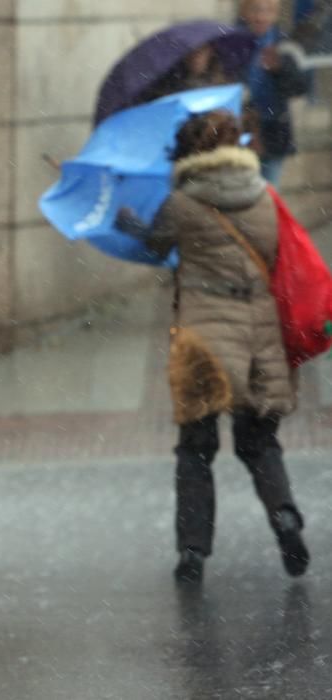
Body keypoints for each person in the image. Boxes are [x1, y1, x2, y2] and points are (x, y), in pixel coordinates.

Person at [117, 110, 309, 584]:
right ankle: (284, 516)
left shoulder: (181, 203)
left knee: (196, 451)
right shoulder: (267, 196)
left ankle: (193, 552)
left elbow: (156, 246)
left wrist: (127, 223)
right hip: (261, 334)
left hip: (204, 335)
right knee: (260, 442)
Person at [238, 0, 311, 184]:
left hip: (274, 129)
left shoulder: (284, 42)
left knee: (270, 193)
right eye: (255, 10)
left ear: (276, 15)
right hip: (241, 129)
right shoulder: (233, 42)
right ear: (245, 12)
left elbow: (300, 87)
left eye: (268, 11)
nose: (261, 17)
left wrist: (280, 69)